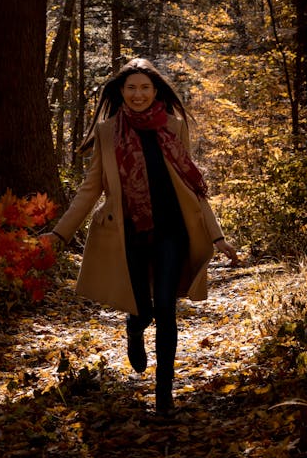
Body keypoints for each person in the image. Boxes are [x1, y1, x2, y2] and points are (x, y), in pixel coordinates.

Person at [48, 57, 241, 418]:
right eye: (131, 87)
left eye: (145, 88)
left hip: (172, 229)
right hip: (129, 233)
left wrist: (218, 238)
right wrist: (59, 235)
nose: (138, 94)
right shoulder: (107, 132)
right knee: (143, 309)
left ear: (156, 92)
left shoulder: (173, 127)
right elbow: (90, 190)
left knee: (167, 309)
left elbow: (191, 184)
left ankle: (164, 392)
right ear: (121, 92)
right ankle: (134, 329)